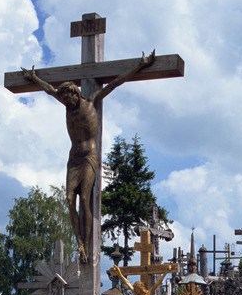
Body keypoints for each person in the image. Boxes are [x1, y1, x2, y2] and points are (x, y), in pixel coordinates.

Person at [20, 51, 156, 262]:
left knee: (85, 198)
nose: (67, 102)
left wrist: (140, 65)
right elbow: (48, 90)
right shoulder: (67, 106)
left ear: (76, 94)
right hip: (73, 158)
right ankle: (79, 243)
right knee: (68, 199)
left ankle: (86, 242)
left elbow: (115, 83)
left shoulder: (91, 101)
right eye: (64, 100)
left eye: (69, 98)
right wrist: (33, 78)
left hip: (89, 157)